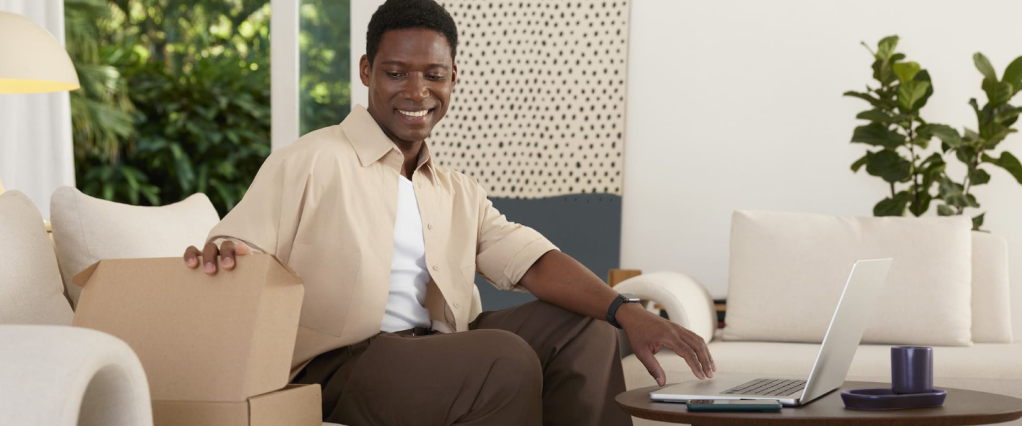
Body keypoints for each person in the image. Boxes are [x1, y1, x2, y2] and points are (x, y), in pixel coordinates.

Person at [183, 0, 714, 424]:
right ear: (367, 71)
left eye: (433, 75)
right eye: (396, 73)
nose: (417, 92)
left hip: (440, 350)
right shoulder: (311, 160)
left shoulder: (455, 190)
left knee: (589, 332)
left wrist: (626, 312)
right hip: (342, 367)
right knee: (502, 360)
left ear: (453, 78)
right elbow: (236, 245)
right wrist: (227, 252)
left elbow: (532, 261)